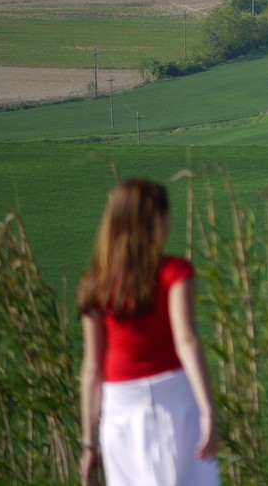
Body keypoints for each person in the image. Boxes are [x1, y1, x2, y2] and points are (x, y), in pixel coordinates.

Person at [76, 178, 219, 486]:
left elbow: (92, 370)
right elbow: (186, 341)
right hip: (174, 398)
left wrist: (88, 443)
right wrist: (208, 410)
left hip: (120, 408)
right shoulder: (175, 273)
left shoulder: (94, 285)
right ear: (155, 221)